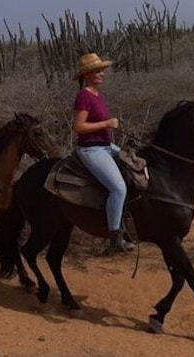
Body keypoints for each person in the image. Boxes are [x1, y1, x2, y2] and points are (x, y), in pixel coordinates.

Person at [72, 52, 134, 253]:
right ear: (88, 74)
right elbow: (79, 127)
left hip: (106, 146)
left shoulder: (98, 95)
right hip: (91, 149)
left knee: (137, 166)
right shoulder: (84, 96)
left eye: (102, 70)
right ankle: (114, 236)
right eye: (98, 71)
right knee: (118, 188)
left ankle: (129, 219)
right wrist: (107, 123)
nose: (102, 74)